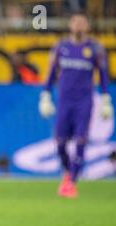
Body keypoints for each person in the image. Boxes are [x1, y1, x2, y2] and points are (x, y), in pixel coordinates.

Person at [39, 13, 114, 198]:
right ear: (70, 25)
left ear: (87, 26)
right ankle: (67, 172)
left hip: (84, 102)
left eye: (82, 22)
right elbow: (51, 73)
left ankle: (71, 182)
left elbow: (103, 76)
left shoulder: (95, 49)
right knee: (60, 142)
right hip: (64, 101)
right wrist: (45, 95)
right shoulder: (61, 47)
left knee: (81, 140)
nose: (79, 25)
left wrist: (106, 99)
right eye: (76, 22)